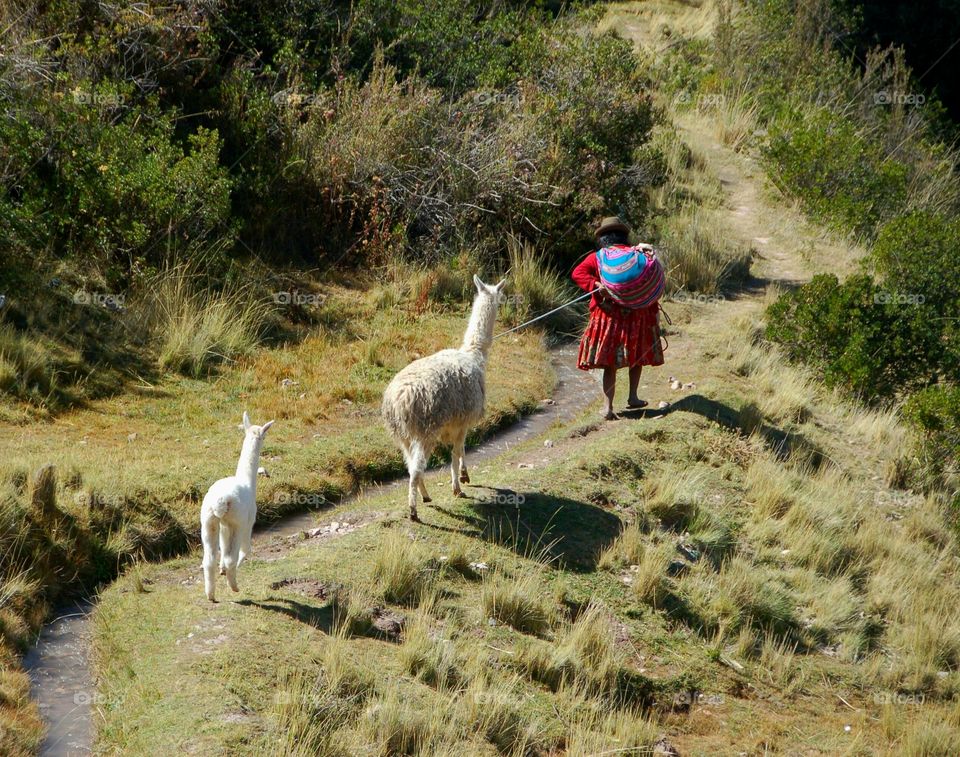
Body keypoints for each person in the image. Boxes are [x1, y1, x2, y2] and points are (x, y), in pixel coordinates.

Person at [571, 216, 665, 420]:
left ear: (604, 239)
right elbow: (648, 281)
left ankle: (608, 407)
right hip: (636, 316)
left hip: (609, 318)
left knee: (609, 363)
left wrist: (596, 285)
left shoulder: (598, 257)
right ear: (624, 237)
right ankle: (633, 397)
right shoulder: (637, 255)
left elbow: (578, 274)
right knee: (637, 356)